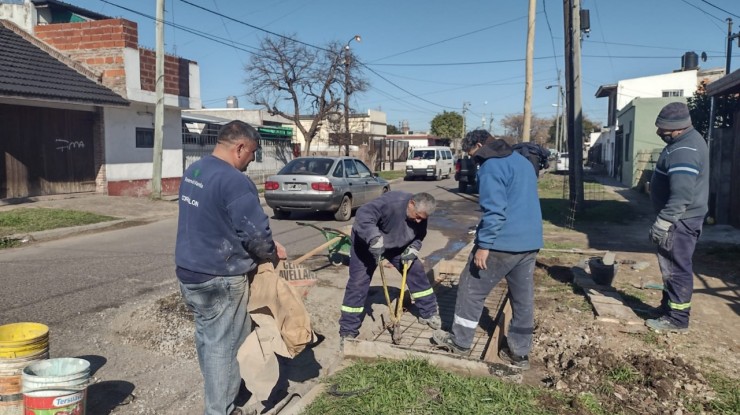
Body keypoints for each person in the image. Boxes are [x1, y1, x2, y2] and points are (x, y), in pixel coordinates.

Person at [175, 120, 286, 415]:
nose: (252, 159)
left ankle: (216, 394)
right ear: (240, 148)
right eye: (252, 153)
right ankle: (219, 410)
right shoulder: (234, 180)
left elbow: (211, 219)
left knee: (207, 338)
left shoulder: (195, 170)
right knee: (224, 347)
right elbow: (255, 234)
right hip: (220, 277)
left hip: (189, 272)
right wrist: (270, 254)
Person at [432, 130, 543, 370]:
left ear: (480, 145)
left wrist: (484, 245)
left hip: (502, 243)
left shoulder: (492, 166)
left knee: (470, 287)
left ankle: (460, 343)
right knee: (522, 299)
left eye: (474, 155)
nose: (474, 161)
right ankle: (519, 354)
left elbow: (495, 211)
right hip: (530, 242)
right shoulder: (521, 161)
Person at [339, 191, 441, 345]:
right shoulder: (391, 203)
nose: (419, 221)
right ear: (411, 203)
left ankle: (428, 313)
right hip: (368, 244)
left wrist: (414, 247)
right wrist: (373, 238)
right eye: (418, 216)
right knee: (358, 284)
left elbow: (419, 235)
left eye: (423, 218)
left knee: (416, 272)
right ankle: (348, 330)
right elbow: (364, 215)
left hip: (397, 246)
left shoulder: (421, 216)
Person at [646, 102, 709, 334]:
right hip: (682, 219)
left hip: (679, 222)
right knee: (670, 267)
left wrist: (664, 222)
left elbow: (682, 194)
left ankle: (678, 319)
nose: (659, 133)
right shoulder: (685, 141)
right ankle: (668, 308)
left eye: (663, 130)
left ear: (678, 128)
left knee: (676, 268)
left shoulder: (685, 150)